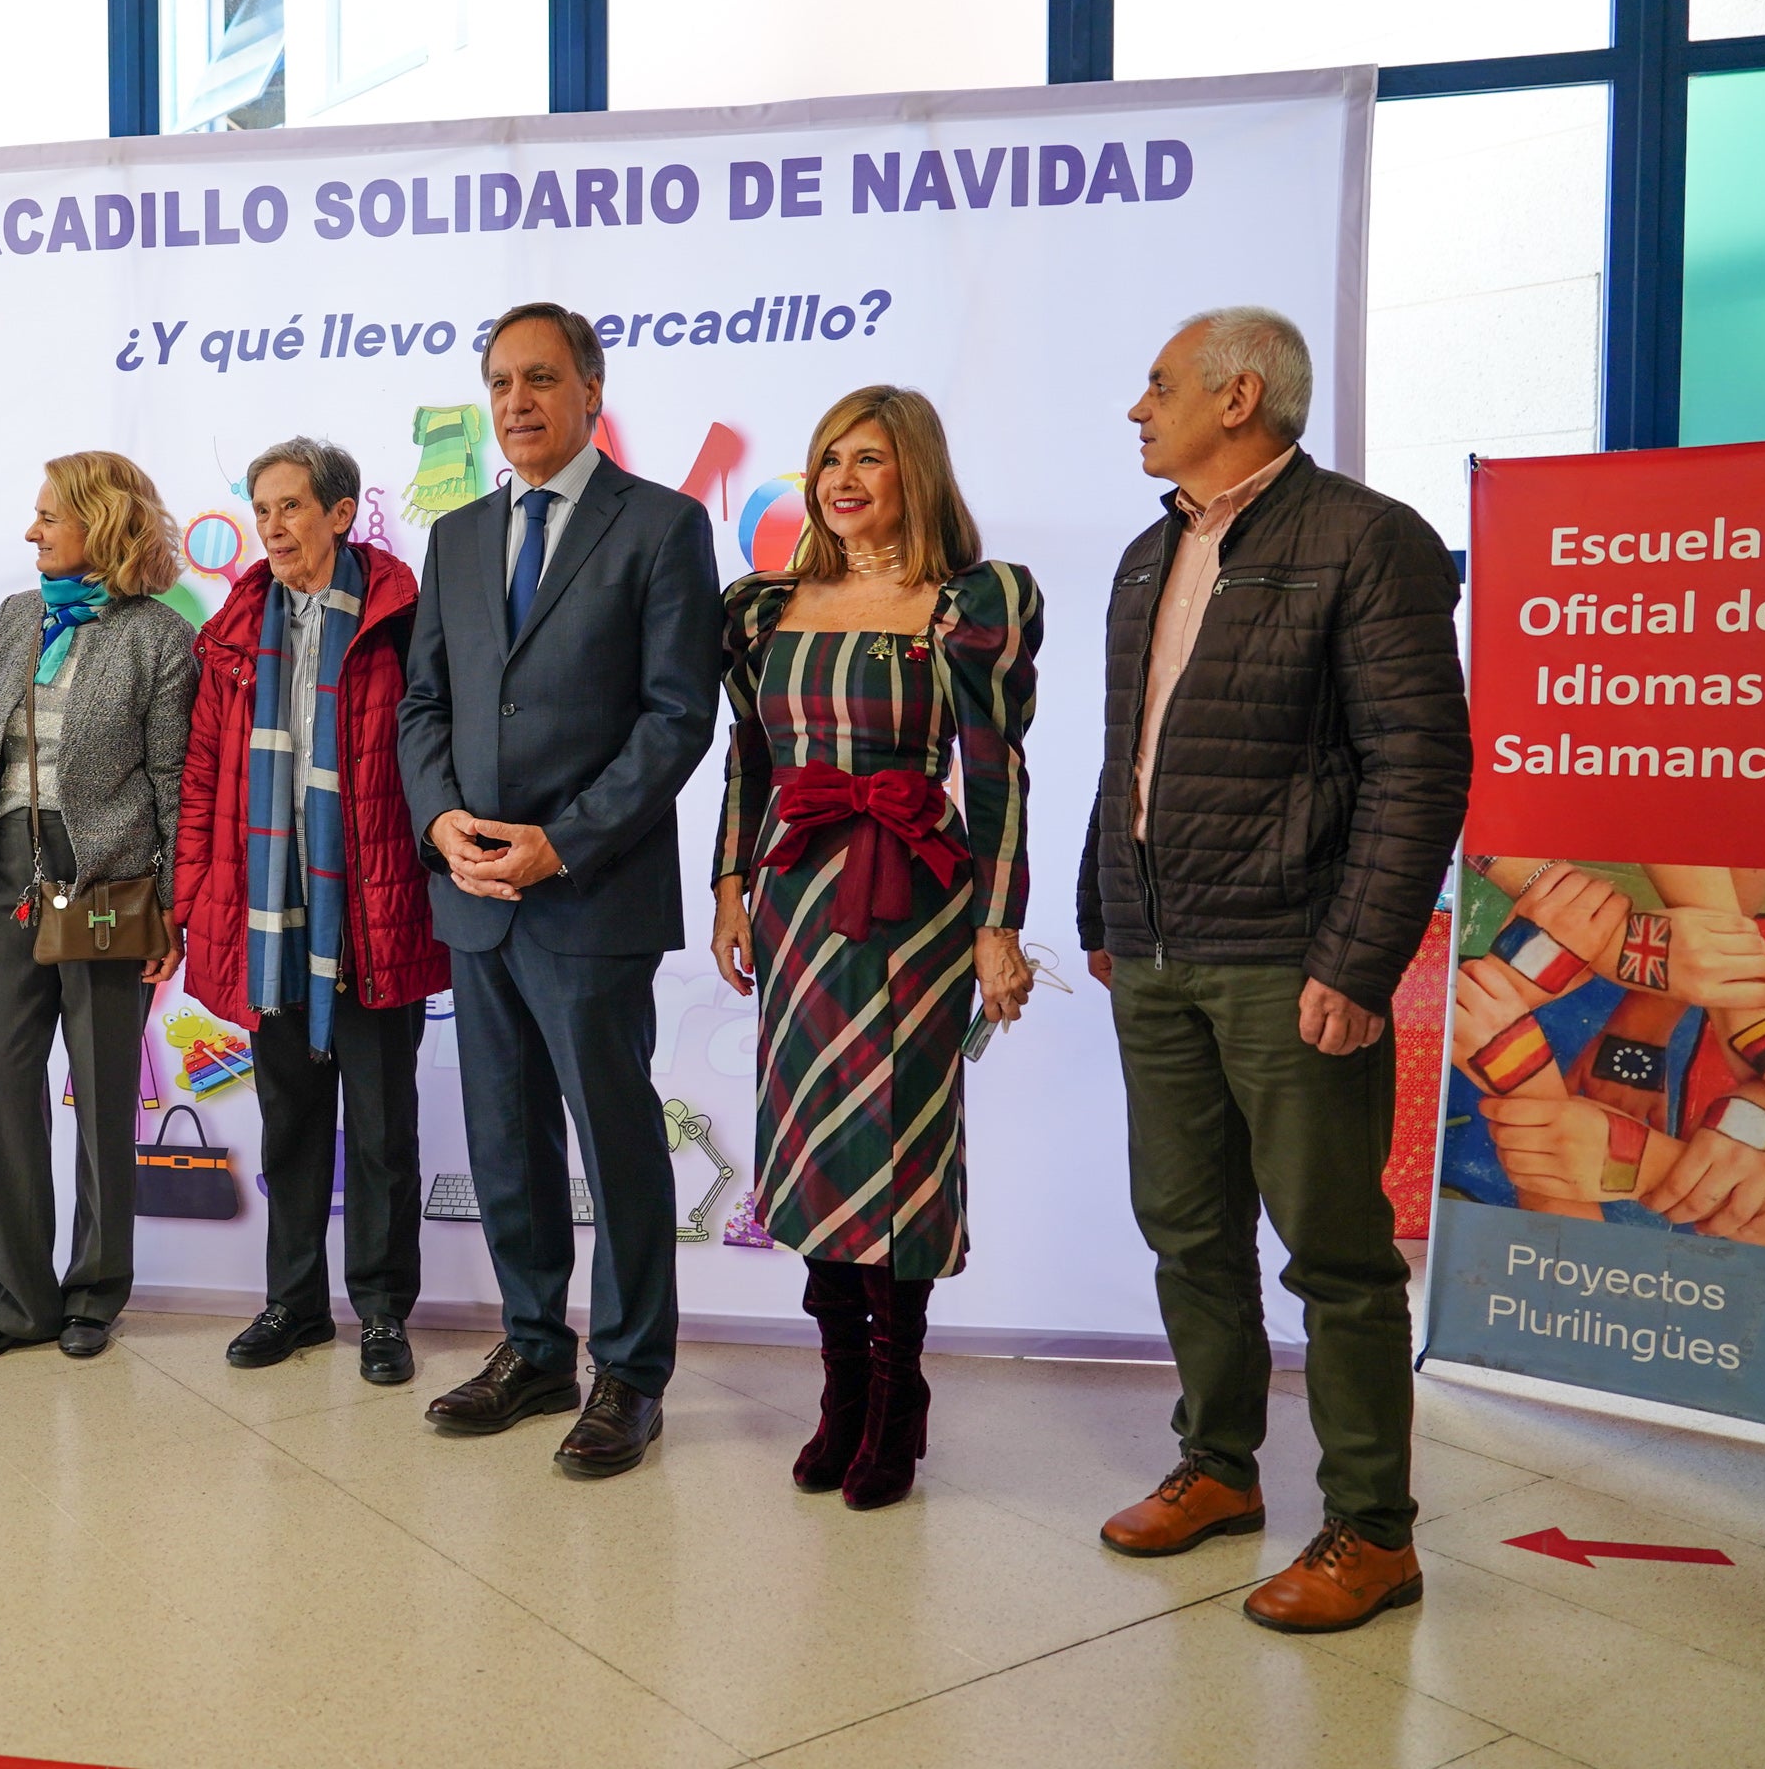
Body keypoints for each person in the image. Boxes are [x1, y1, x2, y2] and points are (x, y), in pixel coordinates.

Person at [1080, 307, 1470, 1632]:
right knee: (1187, 1233)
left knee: (1337, 1257)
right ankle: (1218, 1470)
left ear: (1237, 397)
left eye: (1157, 383)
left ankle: (1372, 1531)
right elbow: (1125, 757)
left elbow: (1420, 772)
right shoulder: (1148, 556)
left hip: (1289, 961)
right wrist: (1104, 904)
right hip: (1158, 952)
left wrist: (1360, 966)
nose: (1138, 408)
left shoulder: (1368, 540)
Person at [399, 302, 720, 1478]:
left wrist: (562, 842)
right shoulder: (462, 534)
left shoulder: (663, 526)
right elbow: (423, 702)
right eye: (498, 382)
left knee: (614, 1137)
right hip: (476, 890)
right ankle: (535, 1345)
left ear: (591, 387)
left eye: (539, 377)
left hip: (592, 891)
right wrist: (441, 821)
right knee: (504, 1137)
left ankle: (631, 1372)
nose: (517, 401)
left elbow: (678, 715)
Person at [708, 388, 1041, 1509]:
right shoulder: (762, 608)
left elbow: (995, 776)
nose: (843, 479)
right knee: (810, 1144)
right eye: (828, 459)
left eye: (870, 459)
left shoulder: (967, 605)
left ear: (919, 474)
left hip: (916, 905)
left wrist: (1000, 927)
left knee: (898, 1148)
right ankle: (840, 1387)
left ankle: (898, 1397)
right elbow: (747, 765)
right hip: (798, 899)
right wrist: (728, 886)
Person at [176, 438, 451, 1386]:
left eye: (292, 507)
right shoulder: (234, 628)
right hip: (269, 914)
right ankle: (293, 1304)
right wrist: (192, 902)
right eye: (262, 511)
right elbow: (205, 774)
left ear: (341, 513)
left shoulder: (406, 617)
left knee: (381, 1128)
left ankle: (380, 1311)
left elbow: (432, 758)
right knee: (290, 1119)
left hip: (375, 911)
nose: (275, 528)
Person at [0, 452, 194, 1362]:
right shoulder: (17, 617)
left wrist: (171, 908)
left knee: (102, 1090)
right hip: (11, 873)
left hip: (107, 886)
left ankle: (94, 1292)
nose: (32, 531)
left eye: (50, 517)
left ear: (105, 523)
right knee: (4, 1089)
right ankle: (17, 1300)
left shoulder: (161, 636)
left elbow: (172, 780)